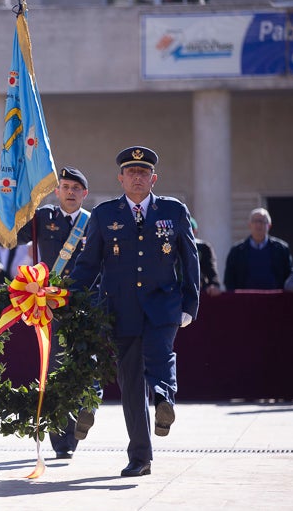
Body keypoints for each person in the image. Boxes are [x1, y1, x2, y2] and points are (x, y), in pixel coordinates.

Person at [70, 146, 199, 477]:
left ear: (153, 178)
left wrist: (189, 303)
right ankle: (140, 457)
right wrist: (65, 297)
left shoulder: (173, 210)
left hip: (163, 303)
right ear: (121, 178)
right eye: (131, 172)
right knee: (129, 384)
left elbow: (189, 258)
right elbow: (88, 266)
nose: (137, 178)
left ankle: (163, 399)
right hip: (120, 307)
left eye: (144, 173)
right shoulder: (104, 214)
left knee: (160, 354)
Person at [18, 166, 101, 459]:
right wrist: (21, 195)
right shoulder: (43, 218)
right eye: (65, 187)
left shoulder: (95, 222)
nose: (70, 193)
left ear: (84, 194)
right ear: (57, 191)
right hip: (49, 305)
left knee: (85, 362)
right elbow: (12, 233)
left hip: (85, 303)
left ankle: (85, 410)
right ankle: (61, 440)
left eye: (76, 189)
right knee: (53, 370)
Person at [224, 208, 292, 291]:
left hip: (275, 300)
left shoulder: (281, 249)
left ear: (269, 225)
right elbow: (229, 279)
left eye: (262, 221)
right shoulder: (237, 250)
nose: (258, 225)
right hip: (245, 300)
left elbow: (289, 276)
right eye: (255, 221)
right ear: (249, 225)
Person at [191, 217, 222, 296]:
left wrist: (214, 284)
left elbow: (210, 269)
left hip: (198, 291)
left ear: (195, 231)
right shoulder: (170, 247)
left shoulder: (203, 247)